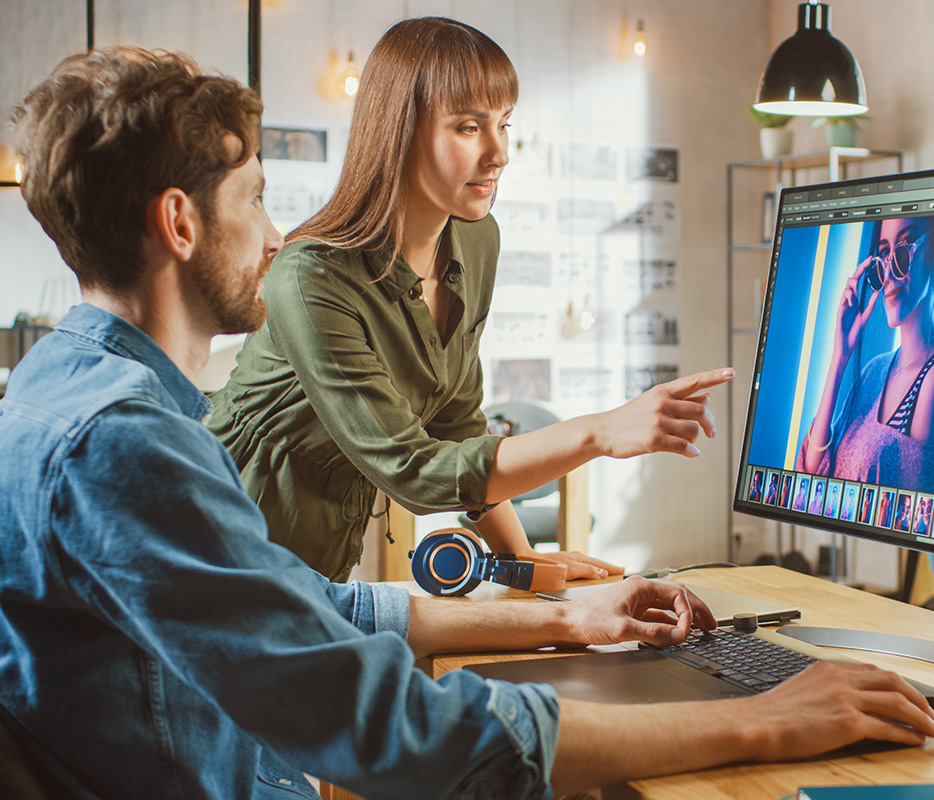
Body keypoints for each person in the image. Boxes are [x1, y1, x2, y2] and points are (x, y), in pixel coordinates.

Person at [0, 45, 934, 800]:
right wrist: (766, 716)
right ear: (180, 223)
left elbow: (308, 609)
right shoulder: (123, 443)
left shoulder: (69, 385)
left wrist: (561, 616)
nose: (278, 233)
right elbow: (385, 726)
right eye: (254, 200)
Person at [206, 16, 728, 582]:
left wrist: (522, 559)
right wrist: (599, 431)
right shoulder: (310, 276)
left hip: (322, 560)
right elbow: (411, 469)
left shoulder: (476, 239)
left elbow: (456, 424)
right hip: (224, 540)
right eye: (468, 127)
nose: (498, 153)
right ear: (399, 131)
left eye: (503, 124)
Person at [798, 216, 934, 497]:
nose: (889, 275)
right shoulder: (875, 370)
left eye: (902, 252)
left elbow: (922, 526)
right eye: (884, 255)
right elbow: (810, 475)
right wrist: (839, 358)